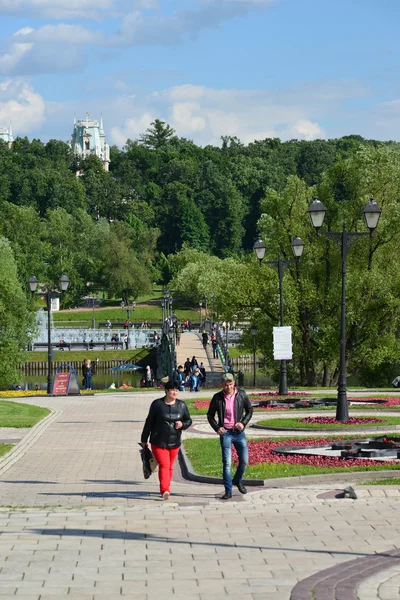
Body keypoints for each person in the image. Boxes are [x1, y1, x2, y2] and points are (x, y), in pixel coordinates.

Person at [141, 381, 192, 500]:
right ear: (166, 391)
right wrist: (144, 439)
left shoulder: (182, 405)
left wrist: (182, 424)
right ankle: (165, 490)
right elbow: (149, 422)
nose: (175, 392)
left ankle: (165, 487)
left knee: (169, 467)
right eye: (172, 390)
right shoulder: (157, 404)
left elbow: (188, 421)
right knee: (164, 465)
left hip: (175, 442)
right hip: (158, 441)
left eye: (177, 390)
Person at [207, 373, 253, 500]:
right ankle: (228, 490)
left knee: (244, 460)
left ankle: (237, 480)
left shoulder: (241, 394)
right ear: (222, 385)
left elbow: (249, 410)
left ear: (234, 383)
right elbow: (210, 415)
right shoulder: (217, 398)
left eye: (231, 384)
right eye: (226, 385)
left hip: (238, 432)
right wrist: (217, 428)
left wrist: (243, 423)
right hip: (226, 433)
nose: (228, 387)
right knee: (227, 463)